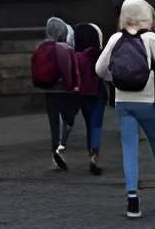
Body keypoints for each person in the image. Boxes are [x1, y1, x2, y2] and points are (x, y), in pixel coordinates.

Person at [95, 0, 155, 219]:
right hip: (148, 101)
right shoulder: (150, 38)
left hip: (123, 102)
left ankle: (132, 199)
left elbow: (99, 69)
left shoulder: (115, 38)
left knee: (129, 148)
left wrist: (114, 80)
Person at [62, 21, 107, 175]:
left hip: (80, 94)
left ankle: (59, 147)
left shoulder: (75, 56)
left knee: (78, 121)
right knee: (95, 125)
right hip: (98, 93)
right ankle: (93, 155)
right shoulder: (97, 54)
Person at [33, 15, 76, 169]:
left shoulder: (40, 47)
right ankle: (60, 148)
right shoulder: (63, 48)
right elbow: (66, 70)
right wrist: (71, 86)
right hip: (62, 89)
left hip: (48, 89)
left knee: (53, 122)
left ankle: (55, 154)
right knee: (68, 120)